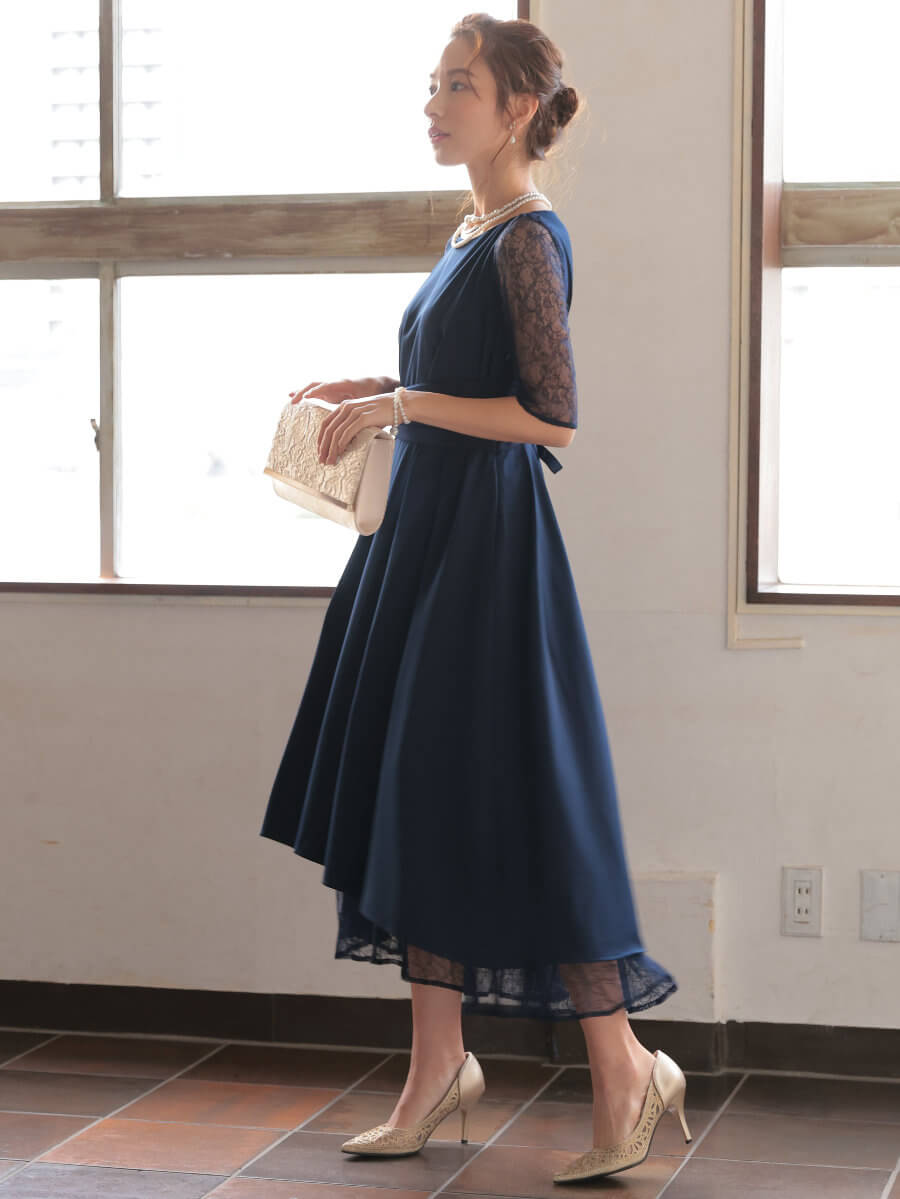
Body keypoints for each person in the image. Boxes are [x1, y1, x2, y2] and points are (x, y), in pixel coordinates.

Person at [259, 12, 691, 1183]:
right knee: (418, 794)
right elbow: (468, 379)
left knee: (528, 800)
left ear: (517, 110)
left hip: (485, 557)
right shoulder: (475, 231)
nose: (435, 103)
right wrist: (380, 383)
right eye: (433, 82)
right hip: (427, 541)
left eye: (459, 85)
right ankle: (437, 1068)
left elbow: (550, 418)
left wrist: (403, 405)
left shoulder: (526, 239)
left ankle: (624, 1067)